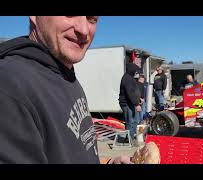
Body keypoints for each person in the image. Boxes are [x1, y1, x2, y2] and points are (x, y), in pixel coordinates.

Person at [0, 16, 131, 164]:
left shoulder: (65, 74)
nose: (83, 29)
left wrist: (108, 162)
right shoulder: (9, 86)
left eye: (92, 19)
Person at [119, 63, 142, 141]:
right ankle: (129, 139)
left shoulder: (130, 78)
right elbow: (130, 93)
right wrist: (137, 104)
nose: (136, 72)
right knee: (130, 122)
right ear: (131, 70)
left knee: (135, 121)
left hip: (131, 103)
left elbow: (134, 91)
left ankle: (131, 137)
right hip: (127, 103)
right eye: (135, 70)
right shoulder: (127, 78)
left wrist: (139, 99)